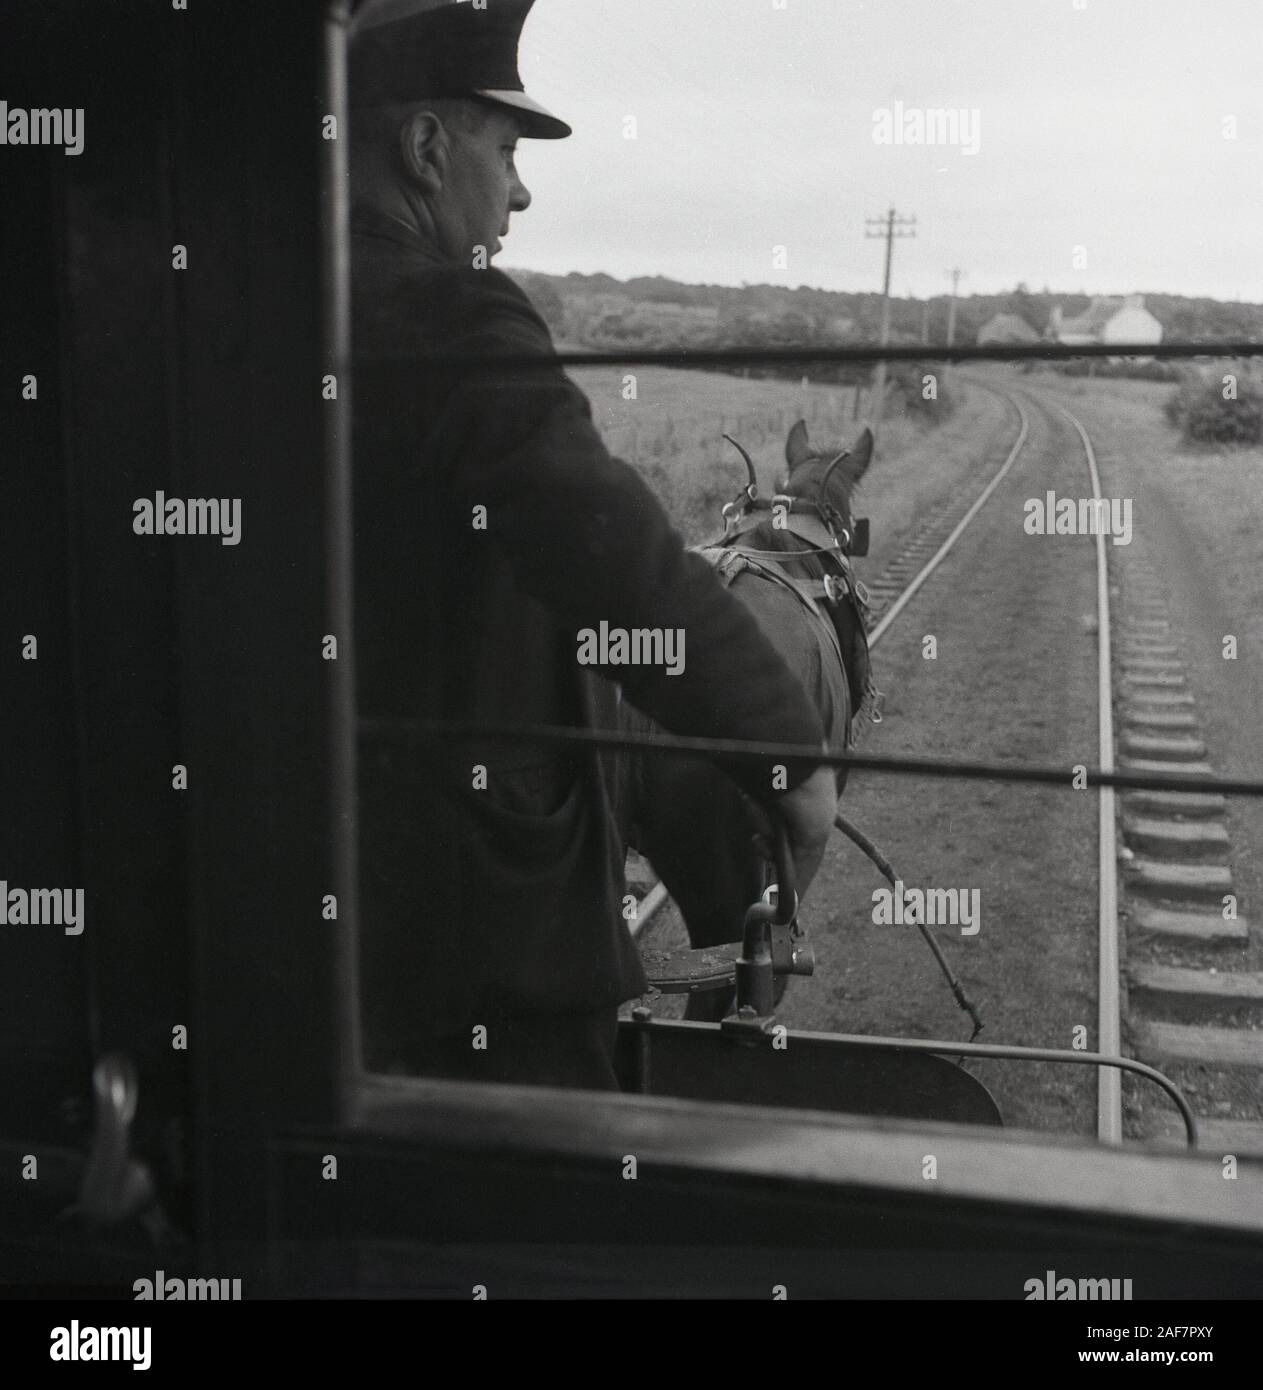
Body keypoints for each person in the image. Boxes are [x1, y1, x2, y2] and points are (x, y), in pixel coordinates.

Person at [349, 0, 837, 1089]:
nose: (520, 190)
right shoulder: (451, 320)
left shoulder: (255, 312)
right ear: (428, 150)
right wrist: (790, 756)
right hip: (481, 964)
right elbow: (609, 557)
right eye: (507, 150)